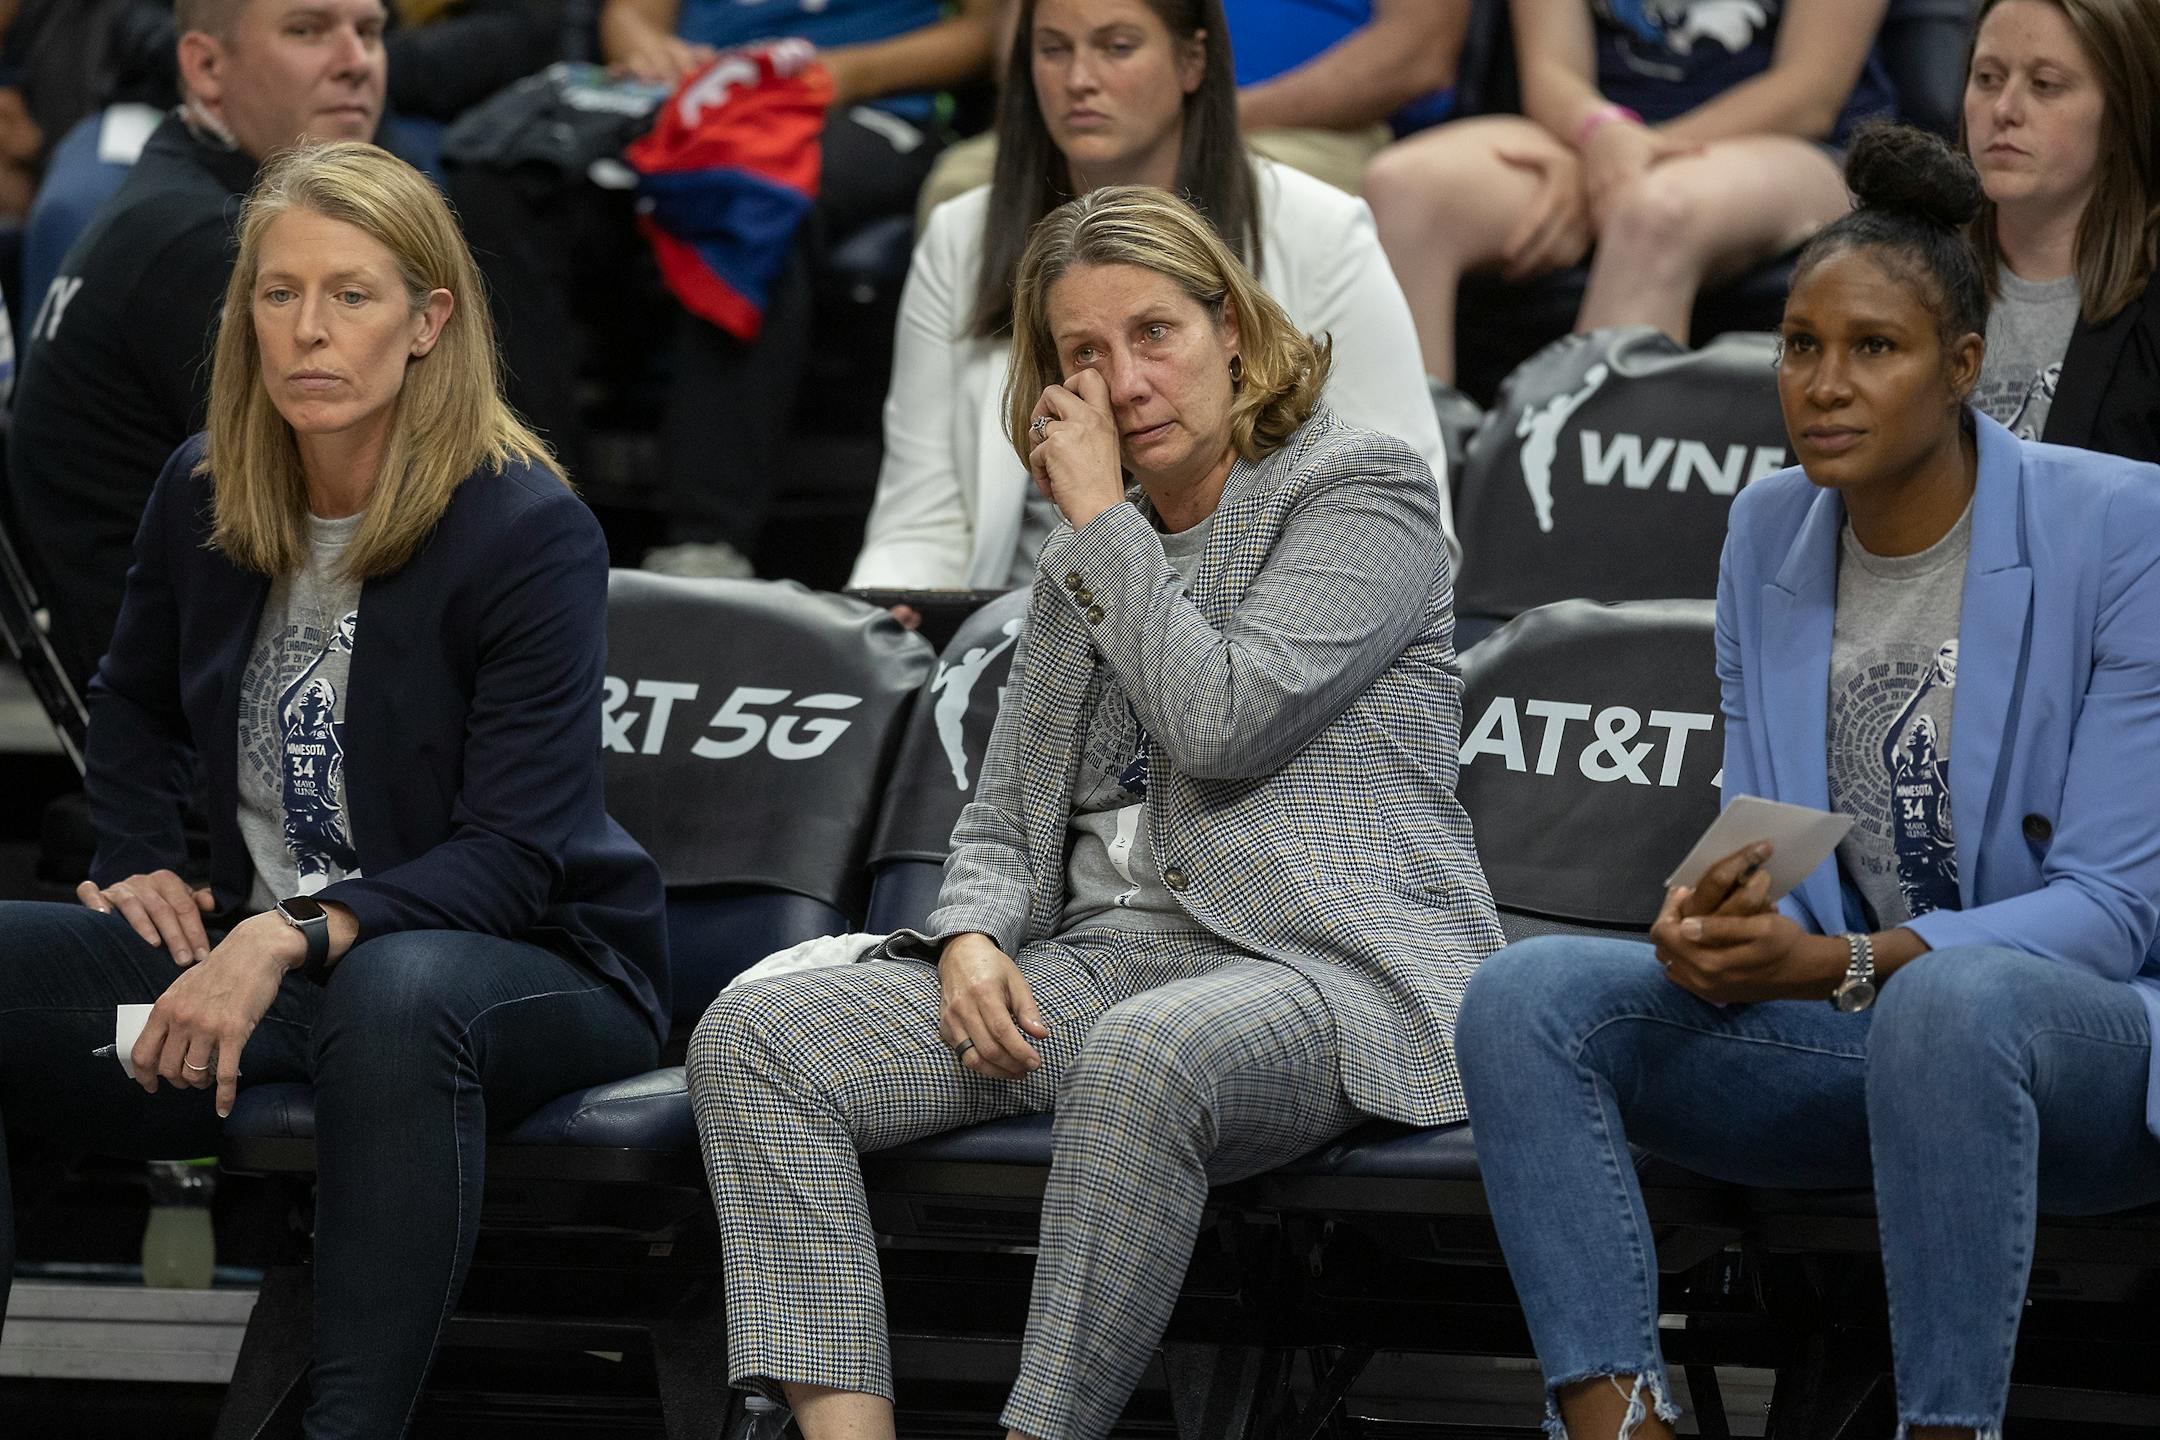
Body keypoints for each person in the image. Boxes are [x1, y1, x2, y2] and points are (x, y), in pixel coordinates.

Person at [691, 185, 1499, 1440]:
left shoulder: (1361, 492)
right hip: (1108, 964)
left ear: (1231, 329)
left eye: (1154, 333)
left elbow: (1224, 721)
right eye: (1084, 353)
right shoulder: (1092, 547)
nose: (1125, 380)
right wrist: (967, 938)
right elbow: (1006, 816)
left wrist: (1099, 523)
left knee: (1147, 1058)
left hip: (1327, 970)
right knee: (760, 1039)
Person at [1455, 124, 2160, 1440]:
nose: (1823, 387)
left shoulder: (2120, 527)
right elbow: (1778, 827)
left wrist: (1842, 966)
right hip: (1870, 1036)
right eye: (1799, 346)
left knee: (1958, 1003)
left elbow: (2115, 909)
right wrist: (1716, 913)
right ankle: (1620, 1425)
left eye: (1873, 350)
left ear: (1963, 366)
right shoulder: (1766, 524)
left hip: (2089, 1051)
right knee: (1526, 997)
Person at [0, 140, 670, 1436]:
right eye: (278, 292)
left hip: (530, 966)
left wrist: (290, 932)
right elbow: (129, 698)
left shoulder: (527, 528)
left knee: (397, 987)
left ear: (429, 320)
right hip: (289, 966)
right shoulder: (204, 486)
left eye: (351, 295)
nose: (308, 330)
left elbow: (516, 853)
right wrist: (142, 852)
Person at [847, 0, 1454, 597]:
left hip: (1252, 631)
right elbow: (919, 514)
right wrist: (892, 622)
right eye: (1054, 50)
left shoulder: (1320, 229)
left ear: (1193, 61)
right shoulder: (963, 236)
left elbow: (1407, 527)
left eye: (1116, 47)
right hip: (1014, 626)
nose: (1079, 80)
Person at [452, 0, 996, 580]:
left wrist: (847, 72)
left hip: (861, 101)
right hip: (689, 93)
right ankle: (531, 515)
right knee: (501, 180)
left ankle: (706, 544)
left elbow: (991, 31)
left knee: (748, 197)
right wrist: (647, 48)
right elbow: (632, 14)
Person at [7, 0, 388, 692]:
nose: (356, 63)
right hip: (192, 721)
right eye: (307, 31)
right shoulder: (205, 244)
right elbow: (355, 524)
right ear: (207, 66)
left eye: (370, 32)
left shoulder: (187, 204)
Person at [1362, 0, 1897, 385]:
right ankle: (1397, 512)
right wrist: (1598, 135)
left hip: (1788, 144)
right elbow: (1551, 70)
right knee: (1405, 191)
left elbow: (1810, 92)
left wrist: (1625, 159)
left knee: (1655, 210)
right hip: (1592, 133)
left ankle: (1574, 520)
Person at [913, 0, 1471, 218]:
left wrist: (1209, 114)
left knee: (1265, 191)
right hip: (1117, 108)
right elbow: (1024, 39)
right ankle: (1012, 452)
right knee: (963, 186)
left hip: (1306, 128)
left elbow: (1417, 54)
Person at [1961, 0, 2160, 462]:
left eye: (2045, 85)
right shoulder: (1899, 272)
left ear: (2122, 113)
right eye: (1987, 78)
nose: (2004, 109)